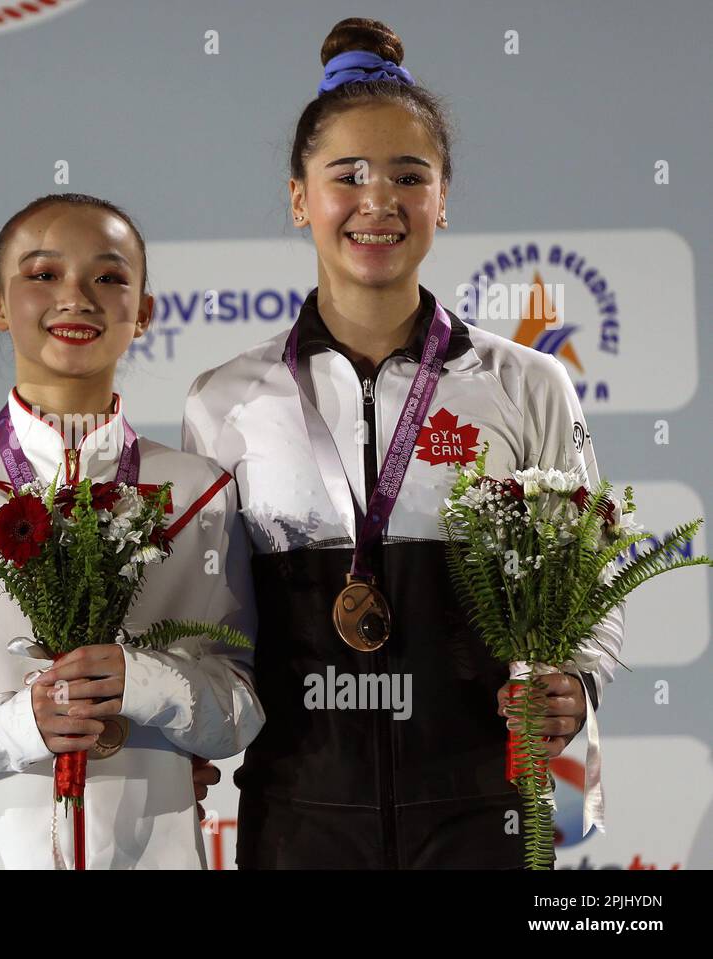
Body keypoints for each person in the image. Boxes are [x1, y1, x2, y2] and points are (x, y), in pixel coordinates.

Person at [183, 19, 623, 868]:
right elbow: (208, 614)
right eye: (346, 176)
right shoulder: (225, 400)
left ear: (443, 198)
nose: (377, 201)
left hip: (481, 808)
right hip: (298, 814)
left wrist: (579, 679)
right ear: (299, 197)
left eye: (408, 176)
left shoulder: (527, 384)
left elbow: (593, 575)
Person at [0, 193, 264, 868]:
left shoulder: (200, 494)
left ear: (145, 313)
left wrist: (142, 680)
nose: (75, 297)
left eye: (108, 277)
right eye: (42, 274)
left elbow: (240, 702)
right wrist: (23, 722)